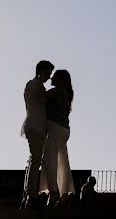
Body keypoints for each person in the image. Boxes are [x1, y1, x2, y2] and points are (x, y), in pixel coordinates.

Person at [21, 59, 54, 210]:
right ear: (42, 71)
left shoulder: (31, 85)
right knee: (35, 161)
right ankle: (31, 195)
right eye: (48, 72)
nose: (49, 76)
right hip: (36, 127)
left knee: (33, 160)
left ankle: (28, 194)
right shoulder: (36, 85)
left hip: (33, 126)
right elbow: (46, 97)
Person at [40, 69, 75, 208]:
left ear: (59, 79)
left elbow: (41, 95)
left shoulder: (57, 91)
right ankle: (64, 195)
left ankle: (53, 193)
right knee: (62, 162)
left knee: (50, 161)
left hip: (55, 128)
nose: (50, 79)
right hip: (64, 130)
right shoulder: (65, 92)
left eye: (53, 76)